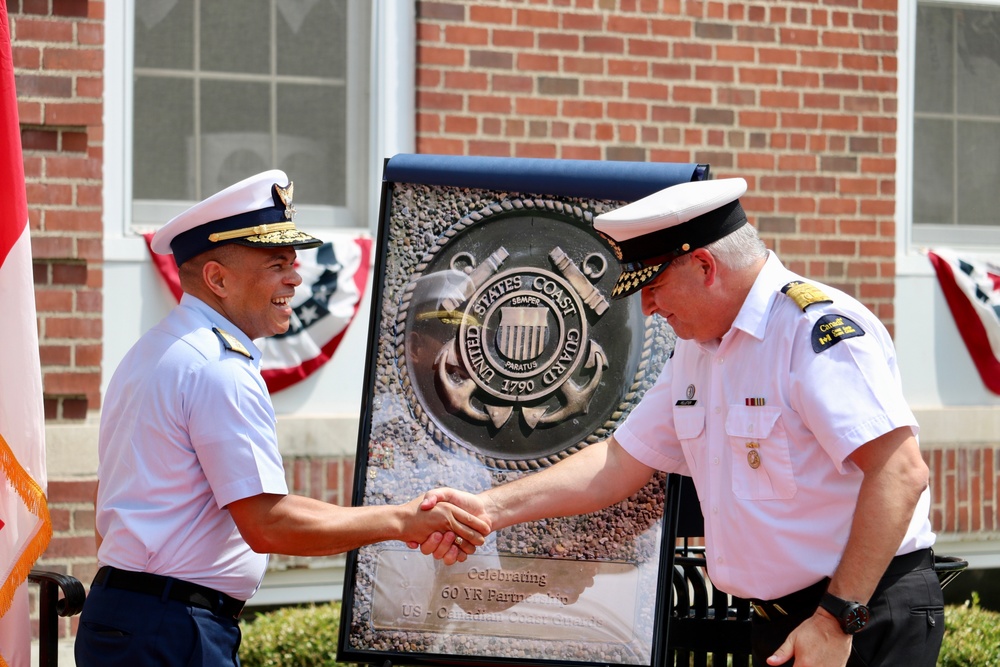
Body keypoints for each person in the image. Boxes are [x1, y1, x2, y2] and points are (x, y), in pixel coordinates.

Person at [414, 177, 943, 667]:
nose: (647, 308)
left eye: (654, 285)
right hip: (786, 623)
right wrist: (486, 508)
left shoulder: (814, 332)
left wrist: (835, 619)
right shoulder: (699, 350)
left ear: (706, 267)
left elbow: (900, 473)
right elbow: (619, 461)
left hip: (859, 616)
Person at [75, 170, 490, 667]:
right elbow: (268, 524)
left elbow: (110, 501)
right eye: (277, 264)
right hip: (170, 629)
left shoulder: (155, 350)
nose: (296, 277)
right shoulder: (219, 367)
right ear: (217, 279)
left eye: (293, 262)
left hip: (135, 617)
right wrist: (403, 522)